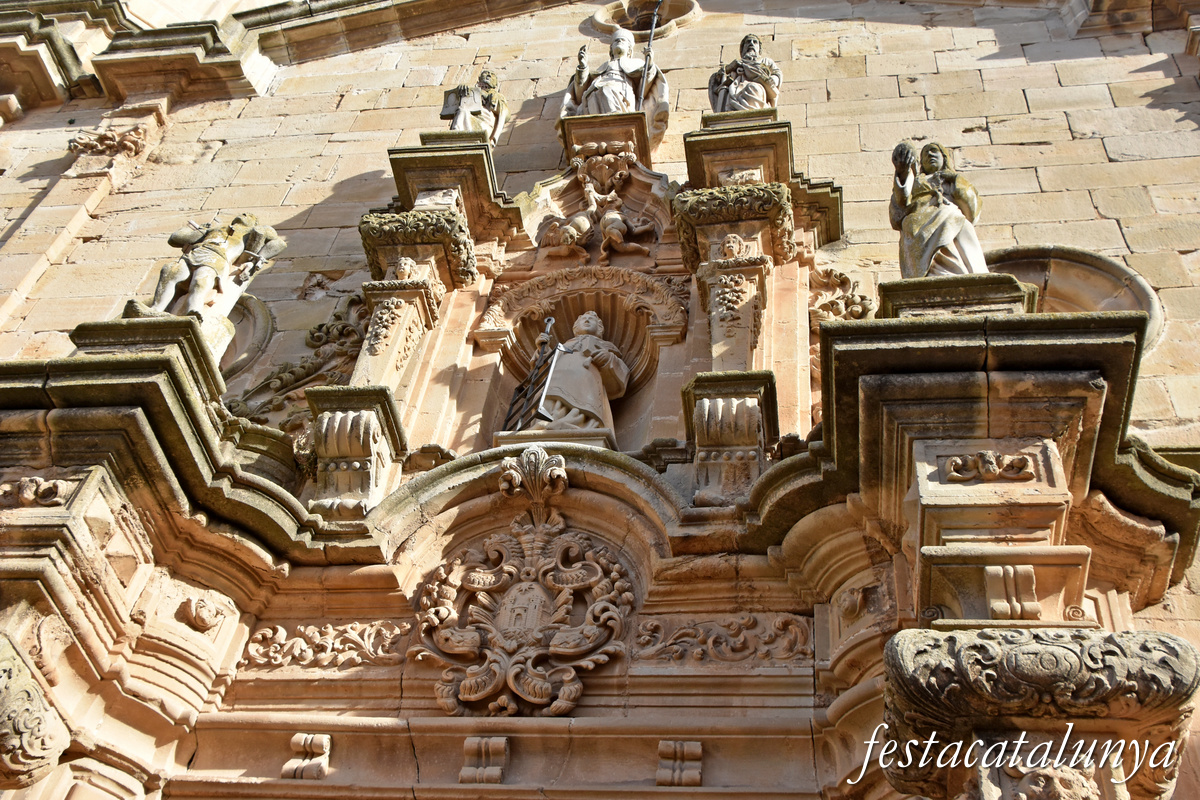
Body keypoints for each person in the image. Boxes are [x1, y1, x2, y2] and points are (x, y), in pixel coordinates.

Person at [149, 214, 286, 316]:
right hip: (197, 252)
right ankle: (155, 310)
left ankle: (194, 312)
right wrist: (198, 230)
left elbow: (279, 244)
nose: (244, 215)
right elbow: (175, 239)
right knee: (170, 270)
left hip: (217, 258)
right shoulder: (215, 229)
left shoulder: (252, 232)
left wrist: (258, 259)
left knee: (200, 282)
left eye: (250, 216)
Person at [889, 141, 987, 279]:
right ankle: (934, 272)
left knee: (961, 222)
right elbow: (899, 203)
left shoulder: (953, 180)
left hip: (949, 213)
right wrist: (902, 172)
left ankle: (971, 273)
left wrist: (955, 179)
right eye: (925, 154)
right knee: (915, 224)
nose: (930, 154)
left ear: (944, 158)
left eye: (934, 151)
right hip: (919, 219)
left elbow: (973, 210)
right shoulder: (916, 180)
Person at [561, 28, 670, 145]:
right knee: (594, 93)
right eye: (616, 41)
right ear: (611, 50)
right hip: (598, 87)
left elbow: (644, 86)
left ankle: (614, 121)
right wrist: (583, 68)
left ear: (629, 50)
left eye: (623, 41)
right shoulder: (605, 65)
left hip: (621, 89)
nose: (619, 42)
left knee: (607, 89)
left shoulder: (636, 63)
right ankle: (597, 125)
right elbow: (581, 88)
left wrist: (650, 64)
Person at [527, 312, 628, 432]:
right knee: (548, 396)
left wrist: (608, 358)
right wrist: (543, 350)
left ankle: (576, 424)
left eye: (591, 319)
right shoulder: (566, 344)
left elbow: (622, 371)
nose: (587, 320)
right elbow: (546, 367)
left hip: (585, 379)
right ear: (575, 328)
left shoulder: (606, 346)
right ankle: (545, 422)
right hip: (557, 377)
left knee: (581, 404)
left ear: (600, 328)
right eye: (584, 319)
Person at [708, 34, 782, 113]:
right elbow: (717, 77)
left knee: (752, 88)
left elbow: (777, 73)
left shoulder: (765, 61)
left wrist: (773, 80)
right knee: (733, 94)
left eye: (755, 42)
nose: (751, 43)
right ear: (742, 50)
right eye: (748, 42)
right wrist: (730, 67)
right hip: (736, 89)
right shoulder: (737, 63)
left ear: (759, 50)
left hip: (757, 86)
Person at [445, 69, 509, 146]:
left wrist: (490, 99)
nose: (488, 75)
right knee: (462, 111)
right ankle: (456, 134)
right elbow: (453, 105)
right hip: (468, 117)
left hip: (484, 124)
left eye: (492, 75)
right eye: (486, 73)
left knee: (463, 112)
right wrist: (459, 92)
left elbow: (506, 116)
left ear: (495, 85)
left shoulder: (498, 96)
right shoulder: (472, 91)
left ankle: (457, 134)